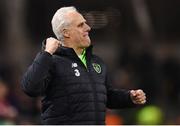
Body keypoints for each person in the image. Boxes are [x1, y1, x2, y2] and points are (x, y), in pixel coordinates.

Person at [21, 6, 146, 125]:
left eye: (85, 23)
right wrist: (46, 53)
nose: (88, 28)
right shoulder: (52, 60)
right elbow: (30, 88)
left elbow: (105, 96)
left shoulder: (97, 62)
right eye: (81, 25)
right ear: (66, 33)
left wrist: (129, 98)